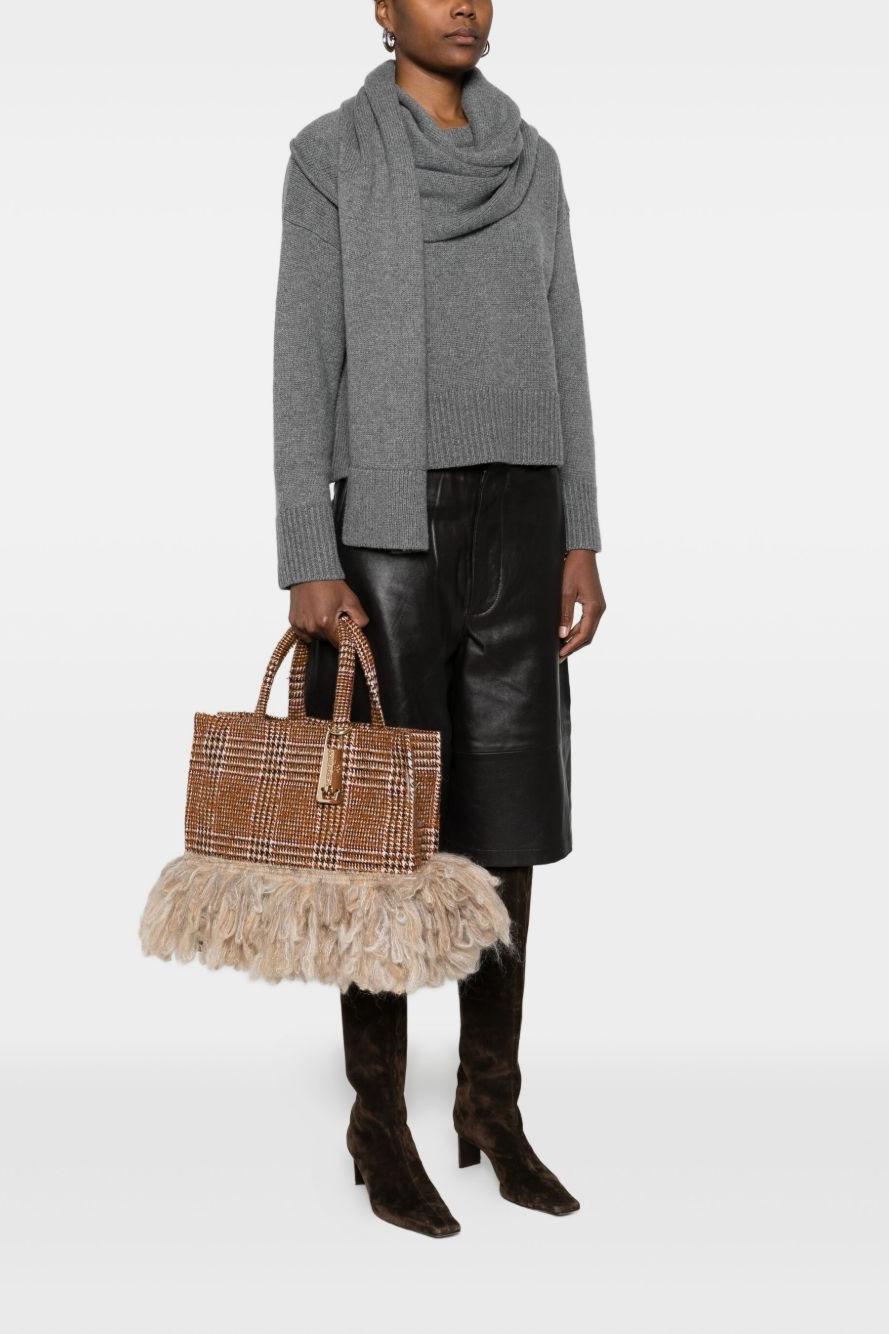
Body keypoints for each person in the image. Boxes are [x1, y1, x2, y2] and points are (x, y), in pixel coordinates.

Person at [273, 0, 605, 1238]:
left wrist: (579, 530)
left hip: (522, 521)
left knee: (505, 826)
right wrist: (307, 552)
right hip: (386, 533)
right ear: (382, 8)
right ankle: (378, 1119)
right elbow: (299, 358)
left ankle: (489, 1105)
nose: (464, 5)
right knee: (381, 834)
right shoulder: (329, 157)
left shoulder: (532, 158)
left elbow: (566, 343)